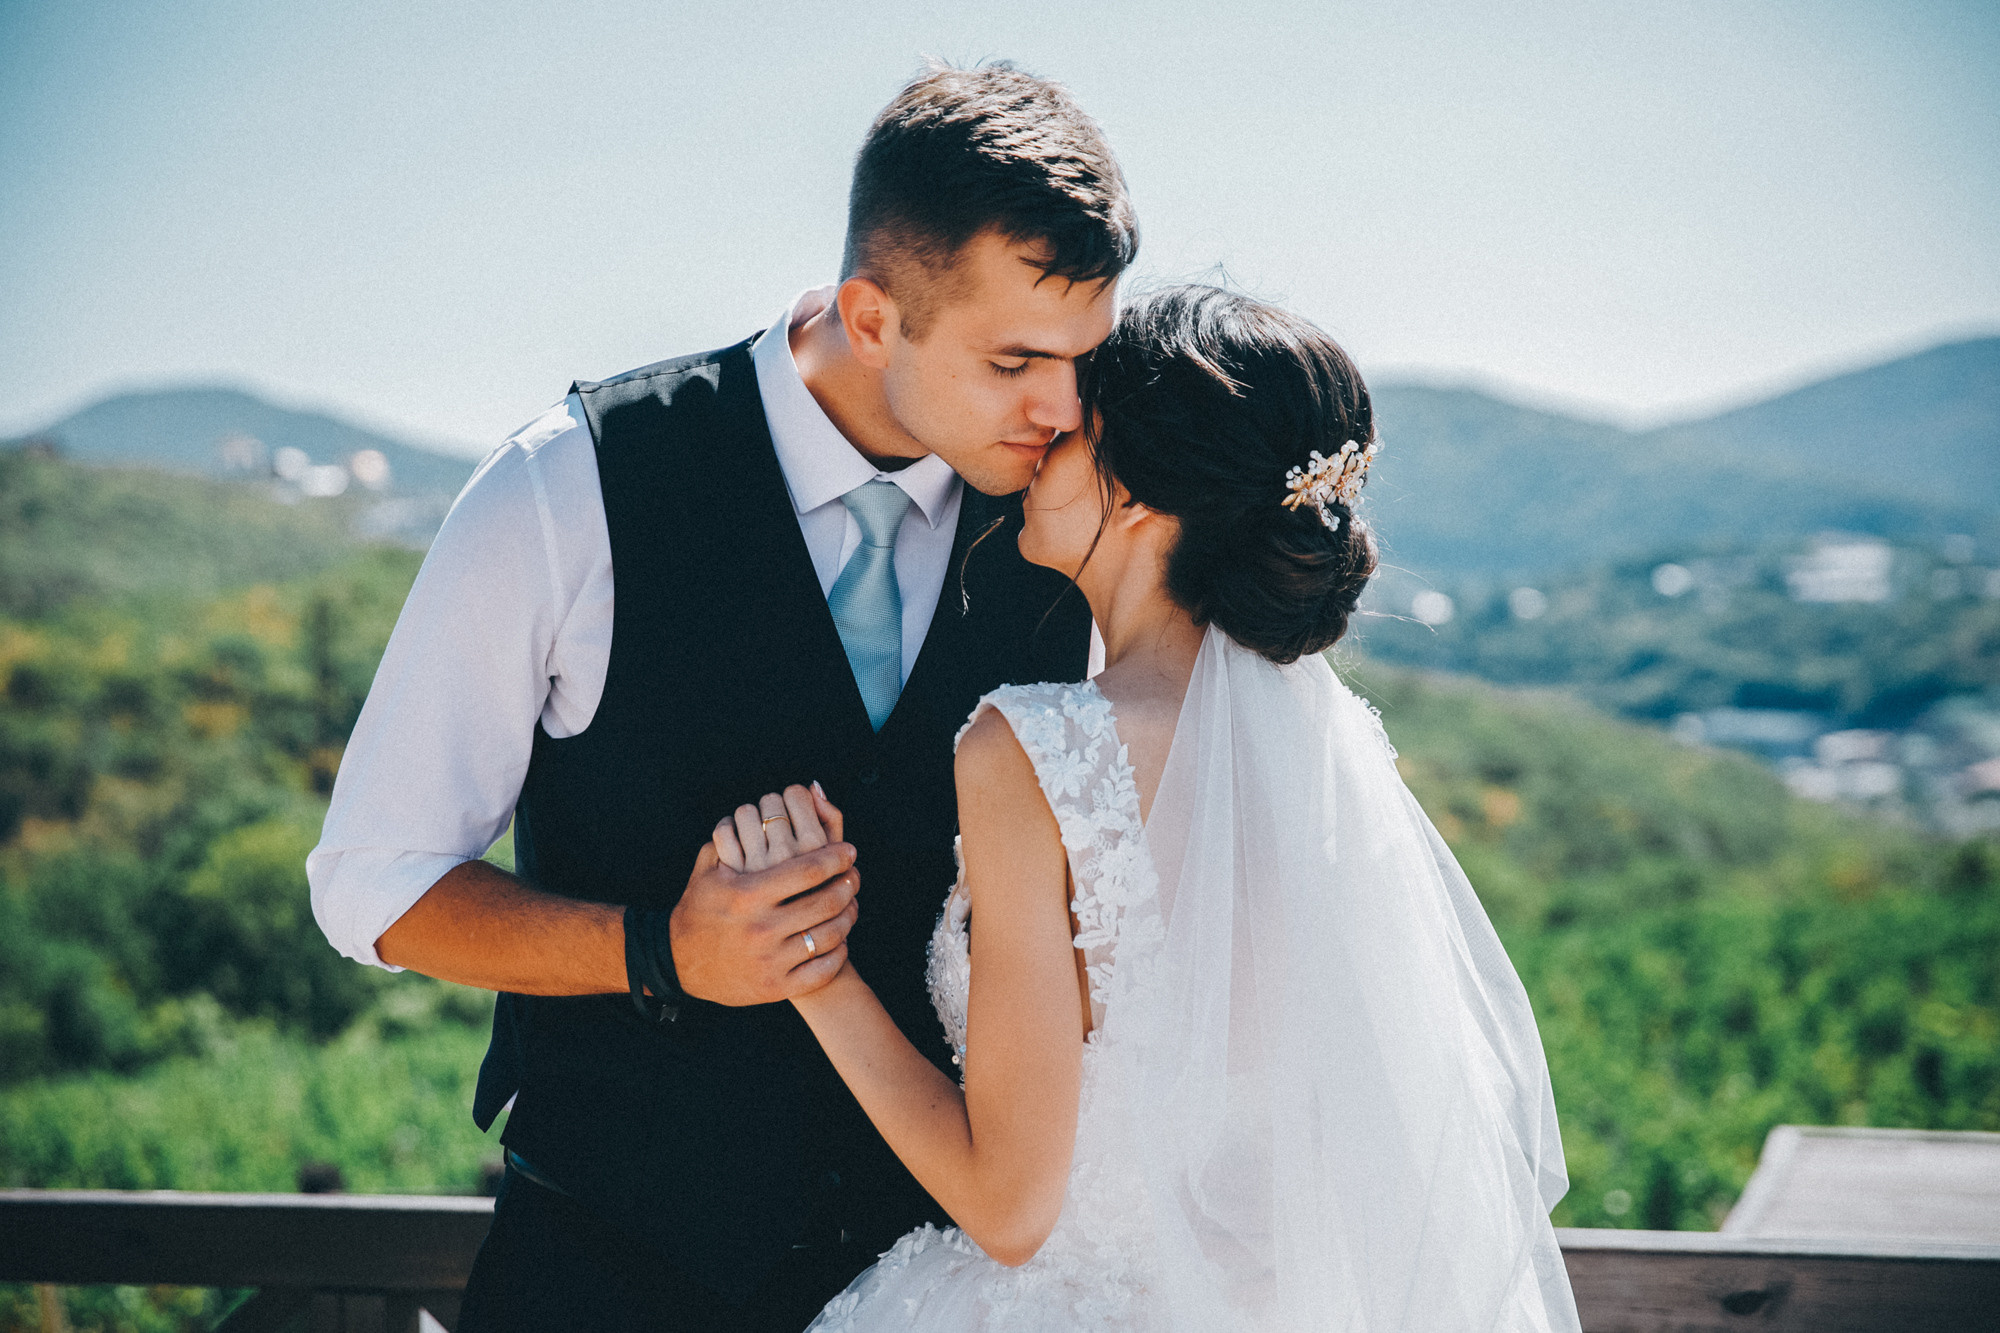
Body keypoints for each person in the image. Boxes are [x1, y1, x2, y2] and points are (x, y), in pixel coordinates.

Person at [308, 62, 1136, 1331]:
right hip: (604, 1275)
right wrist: (660, 950)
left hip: (927, 1296)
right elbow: (374, 882)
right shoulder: (568, 488)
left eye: (1084, 355)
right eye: (1015, 357)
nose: (1062, 405)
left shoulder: (1067, 527)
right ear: (871, 317)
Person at [718, 286, 1583, 1330]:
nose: (1035, 446)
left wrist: (808, 968)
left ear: (1132, 496)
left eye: (1071, 432)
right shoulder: (1325, 740)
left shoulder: (1033, 750)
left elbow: (1010, 1210)